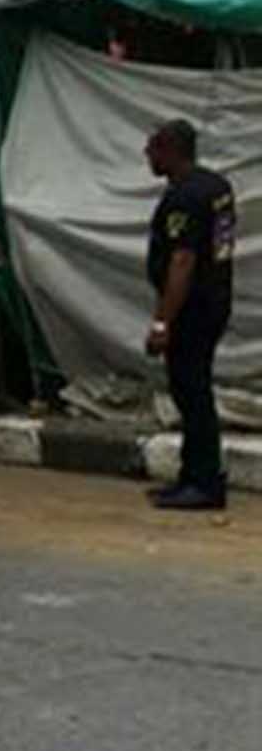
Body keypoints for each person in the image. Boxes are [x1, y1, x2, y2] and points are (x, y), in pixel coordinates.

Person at [144, 119, 237, 511]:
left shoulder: (185, 197)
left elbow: (182, 261)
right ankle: (193, 474)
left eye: (152, 148)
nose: (147, 155)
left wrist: (162, 322)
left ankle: (204, 482)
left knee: (192, 392)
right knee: (193, 390)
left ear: (170, 150)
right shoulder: (217, 187)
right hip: (215, 299)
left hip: (193, 309)